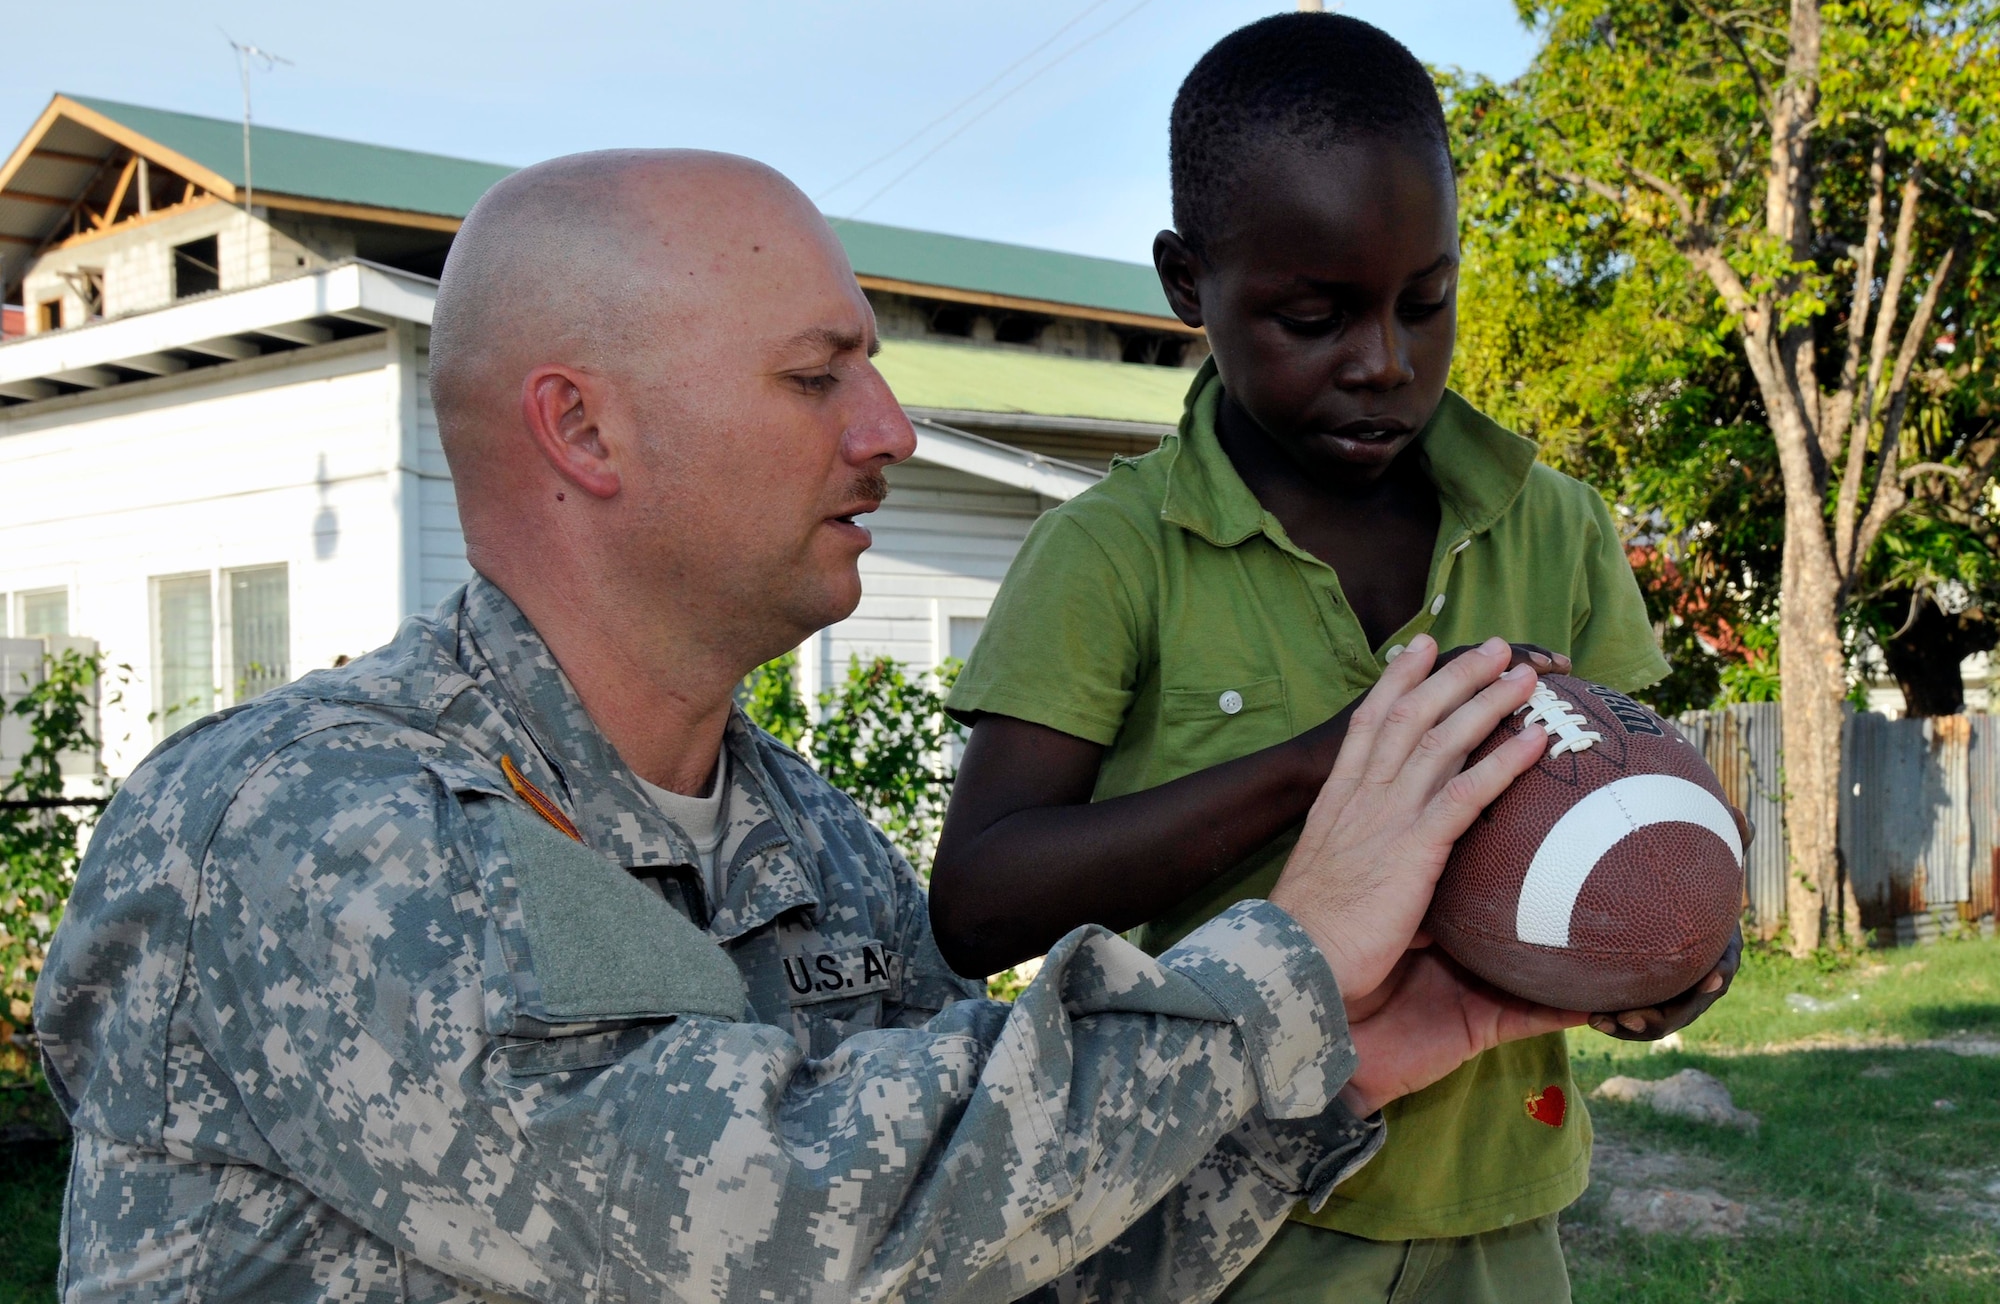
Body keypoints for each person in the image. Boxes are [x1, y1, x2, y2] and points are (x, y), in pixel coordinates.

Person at [33, 149, 1581, 1304]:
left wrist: (1348, 1064)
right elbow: (755, 1221)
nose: (890, 429)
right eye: (814, 376)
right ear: (582, 430)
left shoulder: (815, 845)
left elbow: (975, 1259)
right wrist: (1278, 969)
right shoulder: (305, 823)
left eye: (877, 370)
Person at [932, 14, 1743, 1304]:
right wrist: (1334, 766)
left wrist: (1676, 939)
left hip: (1503, 1213)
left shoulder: (1556, 526)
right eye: (1314, 316)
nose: (1384, 362)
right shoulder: (1113, 553)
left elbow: (1643, 800)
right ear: (1188, 284)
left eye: (1427, 302)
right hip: (1215, 1223)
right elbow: (975, 902)